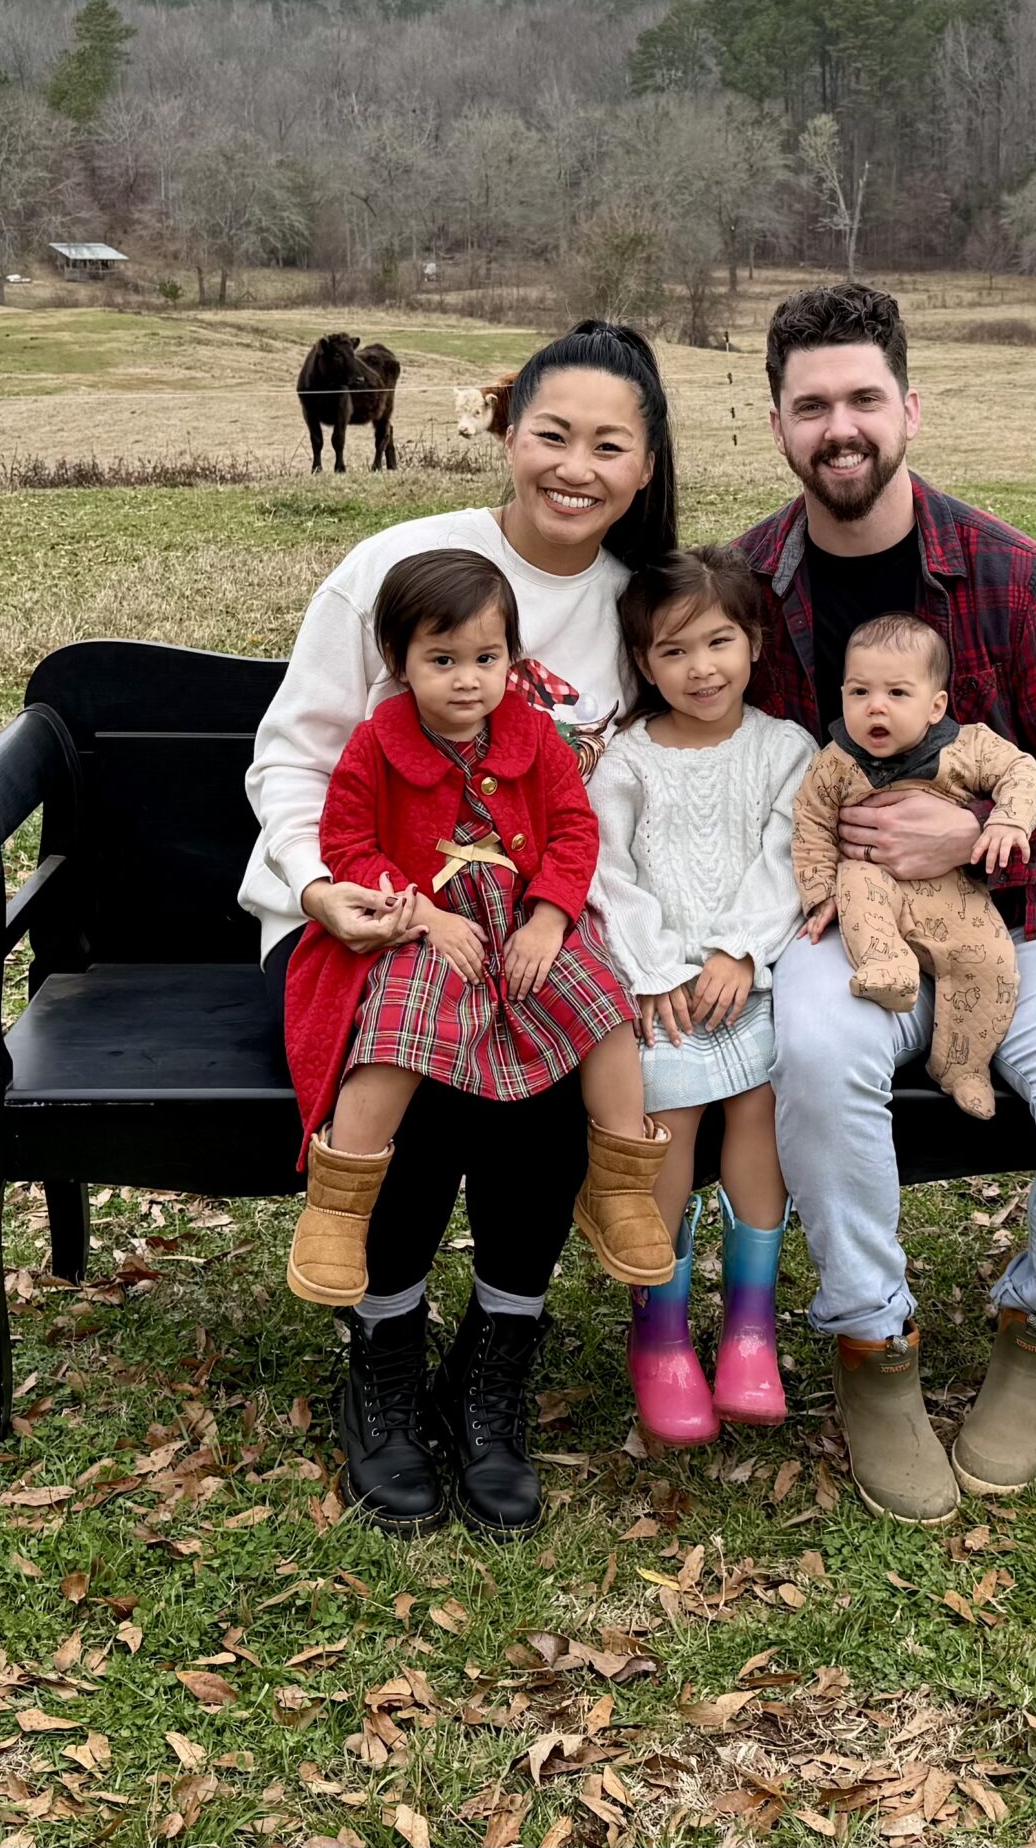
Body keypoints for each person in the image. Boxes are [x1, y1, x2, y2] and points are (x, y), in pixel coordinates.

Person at [740, 282, 1036, 1526]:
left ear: (910, 408)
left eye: (864, 397)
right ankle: (872, 1341)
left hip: (1032, 917)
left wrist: (976, 836)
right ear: (778, 423)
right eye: (812, 404)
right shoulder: (748, 587)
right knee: (815, 1054)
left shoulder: (1014, 577)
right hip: (851, 921)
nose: (841, 427)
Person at [240, 319, 676, 1539]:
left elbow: (635, 799)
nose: (576, 468)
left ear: (646, 464)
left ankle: (497, 1358)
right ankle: (383, 1352)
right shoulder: (400, 564)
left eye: (609, 445)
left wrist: (577, 922)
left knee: (539, 1060)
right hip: (370, 907)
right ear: (505, 429)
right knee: (431, 1060)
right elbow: (294, 762)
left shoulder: (641, 606)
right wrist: (322, 888)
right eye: (552, 434)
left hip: (534, 922)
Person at [281, 550, 675, 1319]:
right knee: (396, 1025)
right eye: (443, 660)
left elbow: (574, 831)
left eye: (486, 659)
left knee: (602, 1003)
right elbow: (347, 843)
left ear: (511, 658)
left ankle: (620, 1184)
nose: (467, 679)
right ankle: (341, 1204)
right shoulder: (376, 743)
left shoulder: (535, 737)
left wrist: (551, 918)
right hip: (421, 925)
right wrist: (421, 917)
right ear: (397, 660)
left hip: (525, 917)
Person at [587, 548, 813, 1444]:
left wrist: (740, 949)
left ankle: (752, 1327)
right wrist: (652, 970)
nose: (701, 668)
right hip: (660, 985)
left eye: (718, 642)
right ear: (644, 665)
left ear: (754, 642)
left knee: (760, 1105)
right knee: (670, 1117)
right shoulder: (627, 762)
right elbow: (607, 872)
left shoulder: (784, 750)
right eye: (673, 652)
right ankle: (661, 1331)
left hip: (748, 972)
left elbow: (789, 857)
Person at [791, 612, 1036, 1118]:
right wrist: (820, 893)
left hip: (953, 892)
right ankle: (888, 965)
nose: (875, 706)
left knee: (989, 963)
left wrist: (1006, 820)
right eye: (859, 692)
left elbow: (1020, 770)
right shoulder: (835, 762)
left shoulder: (966, 747)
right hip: (871, 881)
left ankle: (962, 1065)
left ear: (935, 706)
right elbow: (811, 823)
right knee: (855, 881)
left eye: (897, 693)